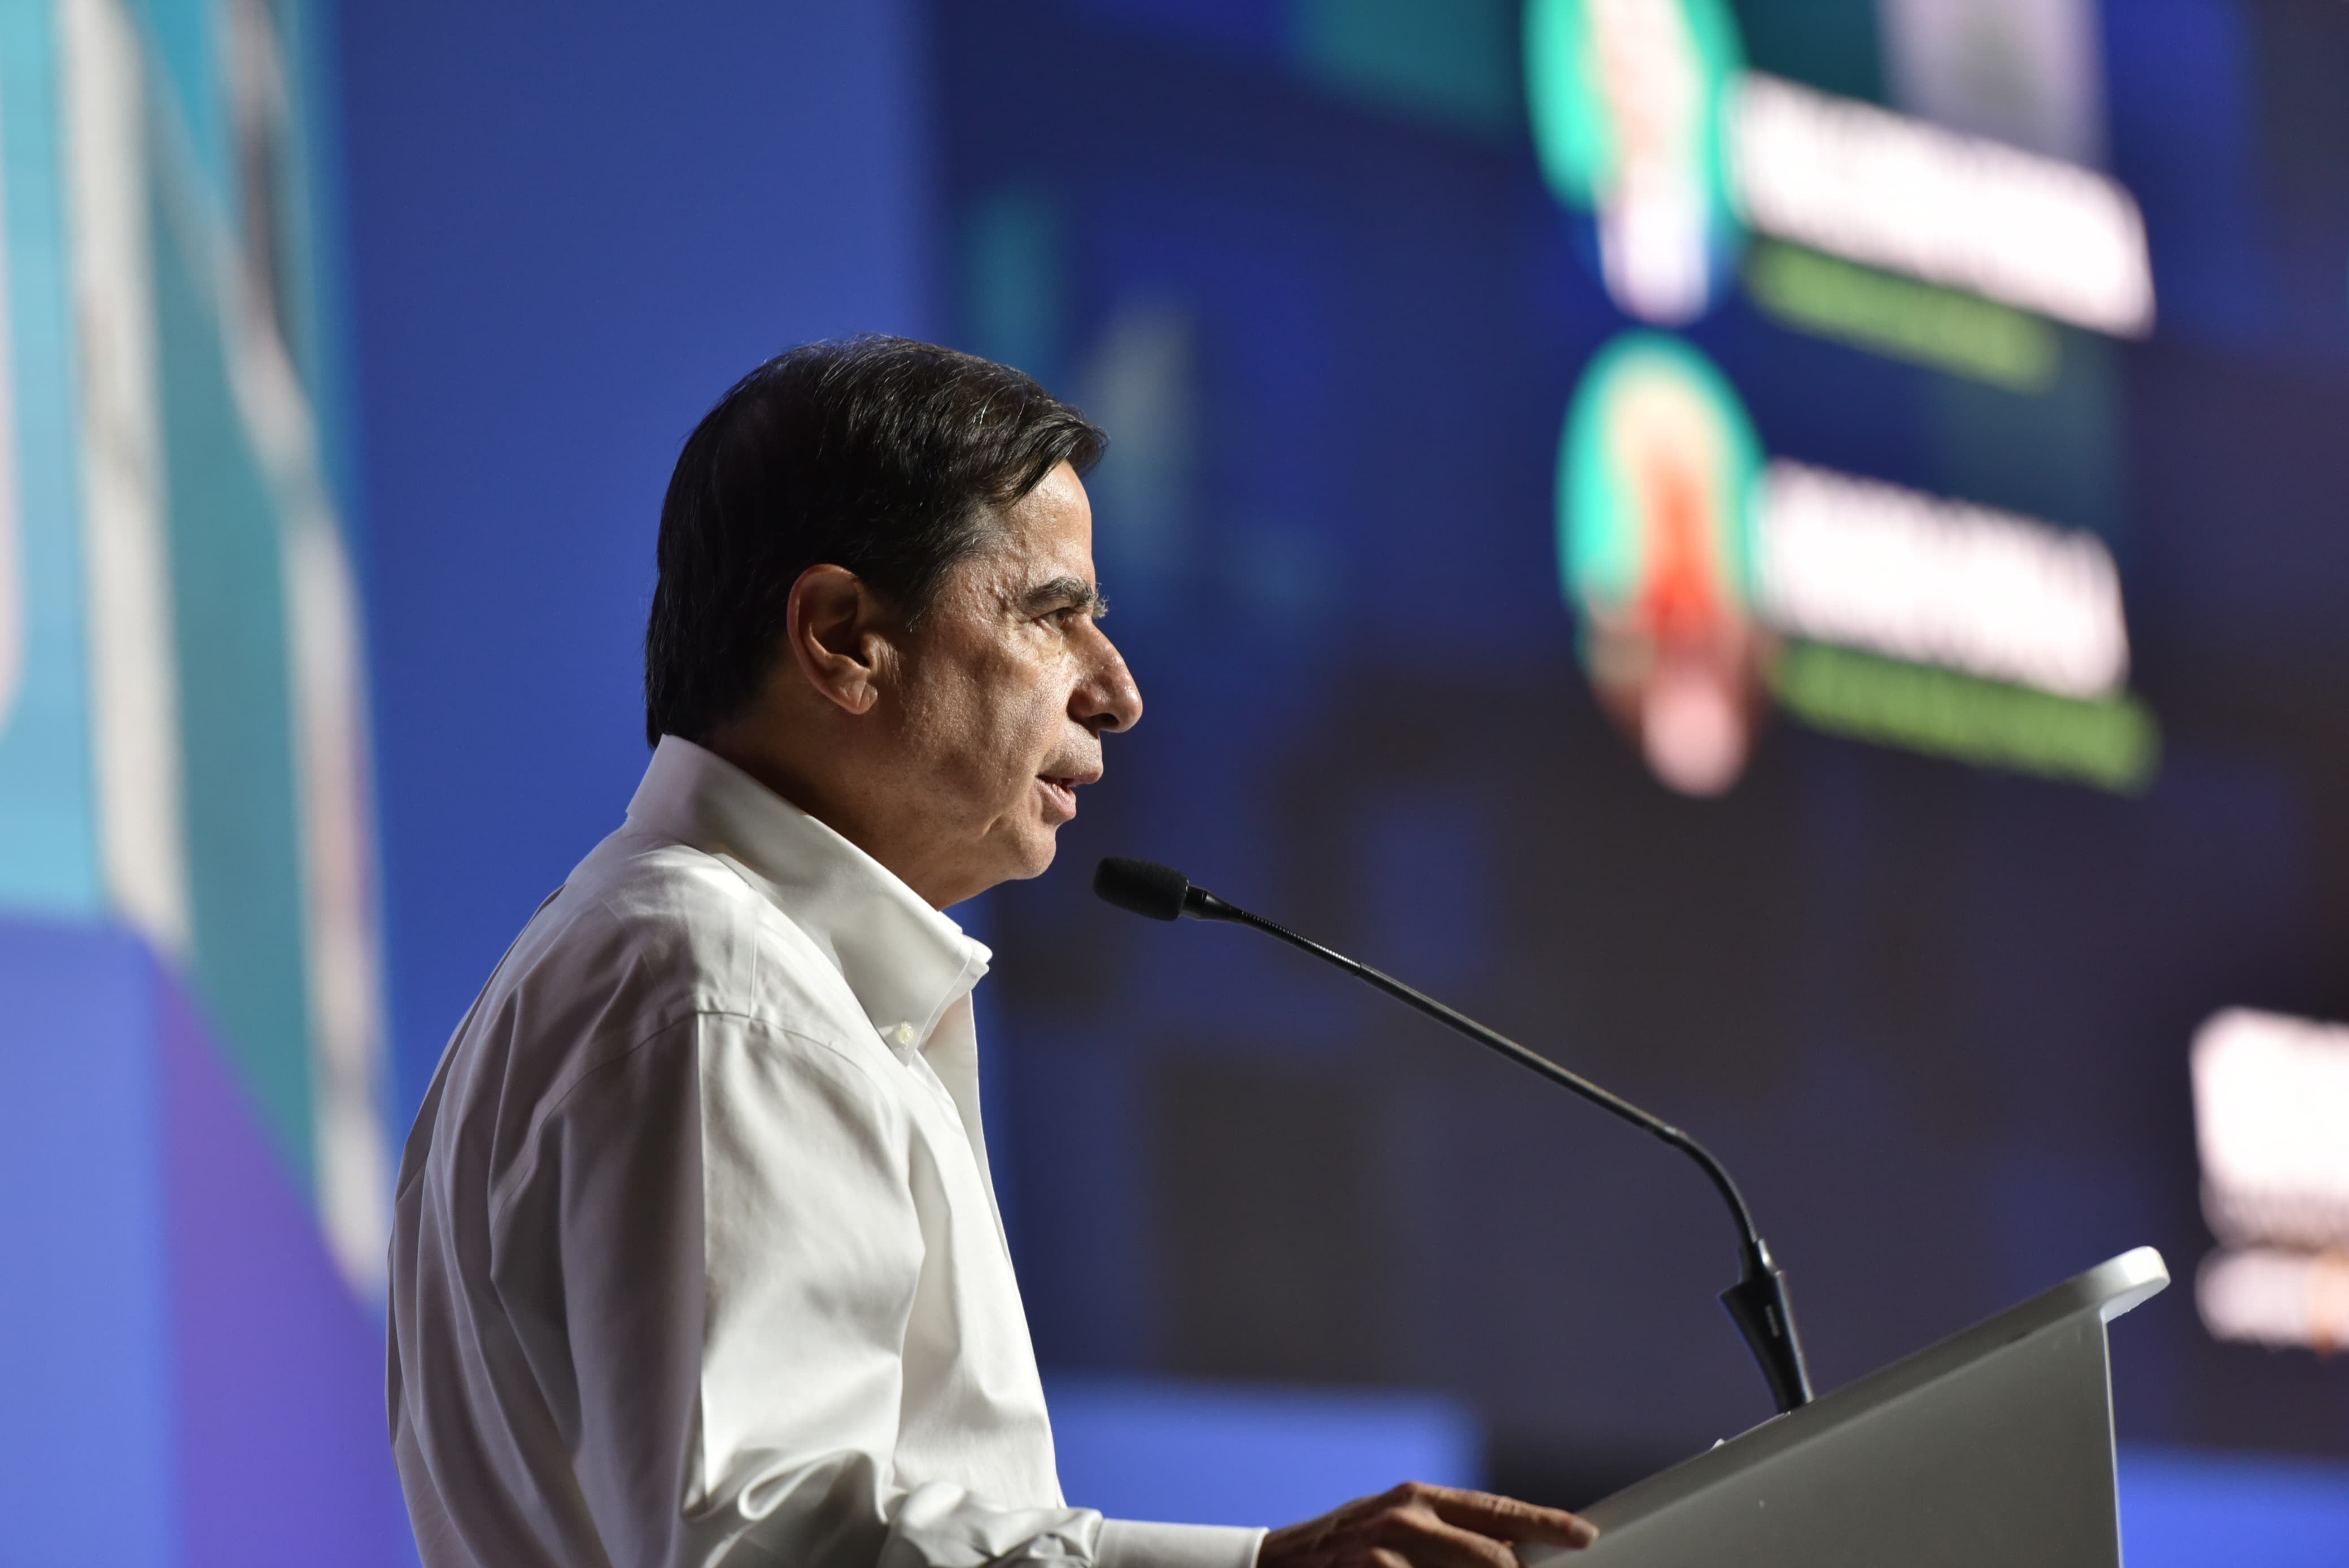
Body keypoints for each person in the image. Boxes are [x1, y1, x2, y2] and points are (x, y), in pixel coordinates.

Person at [388, 337, 1599, 1568]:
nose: (1117, 690)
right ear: (843, 638)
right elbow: (762, 1545)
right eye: (1053, 615)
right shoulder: (724, 983)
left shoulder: (673, 964)